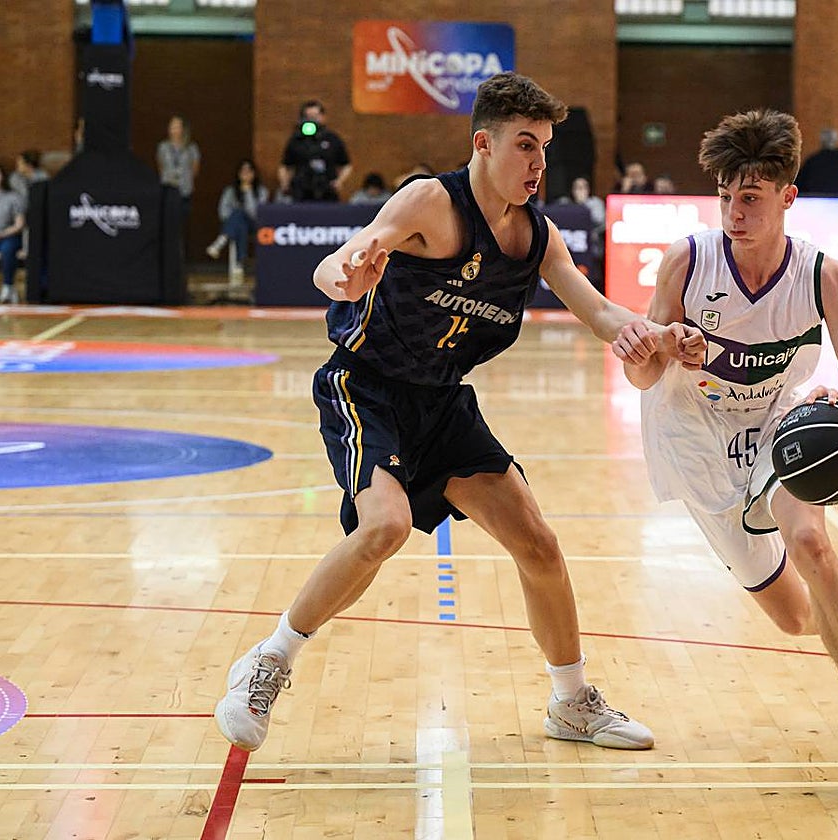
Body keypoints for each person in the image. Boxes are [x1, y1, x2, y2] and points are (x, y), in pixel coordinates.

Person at [214, 72, 706, 755]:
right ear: (484, 143)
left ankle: (571, 702)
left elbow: (598, 312)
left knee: (538, 542)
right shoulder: (430, 203)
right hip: (368, 386)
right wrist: (347, 273)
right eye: (525, 146)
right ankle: (268, 662)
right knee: (383, 526)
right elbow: (343, 258)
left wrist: (662, 335)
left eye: (546, 149)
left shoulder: (537, 237)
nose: (538, 164)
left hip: (442, 402)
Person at [620, 109, 838, 791]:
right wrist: (662, 346)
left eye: (750, 198)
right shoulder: (687, 262)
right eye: (725, 197)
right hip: (694, 439)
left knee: (812, 543)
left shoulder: (825, 277)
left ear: (788, 198)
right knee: (795, 618)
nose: (734, 212)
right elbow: (639, 374)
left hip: (781, 426)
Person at [206, 159, 270, 277]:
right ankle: (240, 262)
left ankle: (221, 241)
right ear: (238, 174)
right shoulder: (230, 191)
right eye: (243, 171)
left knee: (239, 215)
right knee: (240, 222)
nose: (246, 174)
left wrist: (248, 193)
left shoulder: (262, 191)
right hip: (237, 225)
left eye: (249, 171)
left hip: (256, 225)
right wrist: (236, 215)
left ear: (254, 173)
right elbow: (223, 212)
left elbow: (258, 213)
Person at [279, 99, 351, 202]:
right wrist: (285, 183)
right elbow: (285, 166)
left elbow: (346, 165)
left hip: (328, 192)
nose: (312, 120)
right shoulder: (296, 140)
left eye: (315, 116)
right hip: (301, 193)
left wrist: (339, 181)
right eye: (308, 117)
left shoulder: (332, 139)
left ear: (323, 117)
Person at [156, 115, 201, 235]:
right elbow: (161, 166)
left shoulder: (192, 148)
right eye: (172, 126)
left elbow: (195, 169)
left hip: (184, 190)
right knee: (167, 223)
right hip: (168, 188)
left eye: (177, 126)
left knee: (181, 224)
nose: (174, 129)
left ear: (183, 129)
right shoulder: (163, 147)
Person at [0, 165, 26, 305]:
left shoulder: (13, 197)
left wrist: (3, 233)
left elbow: (19, 224)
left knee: (7, 249)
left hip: (9, 236)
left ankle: (8, 286)